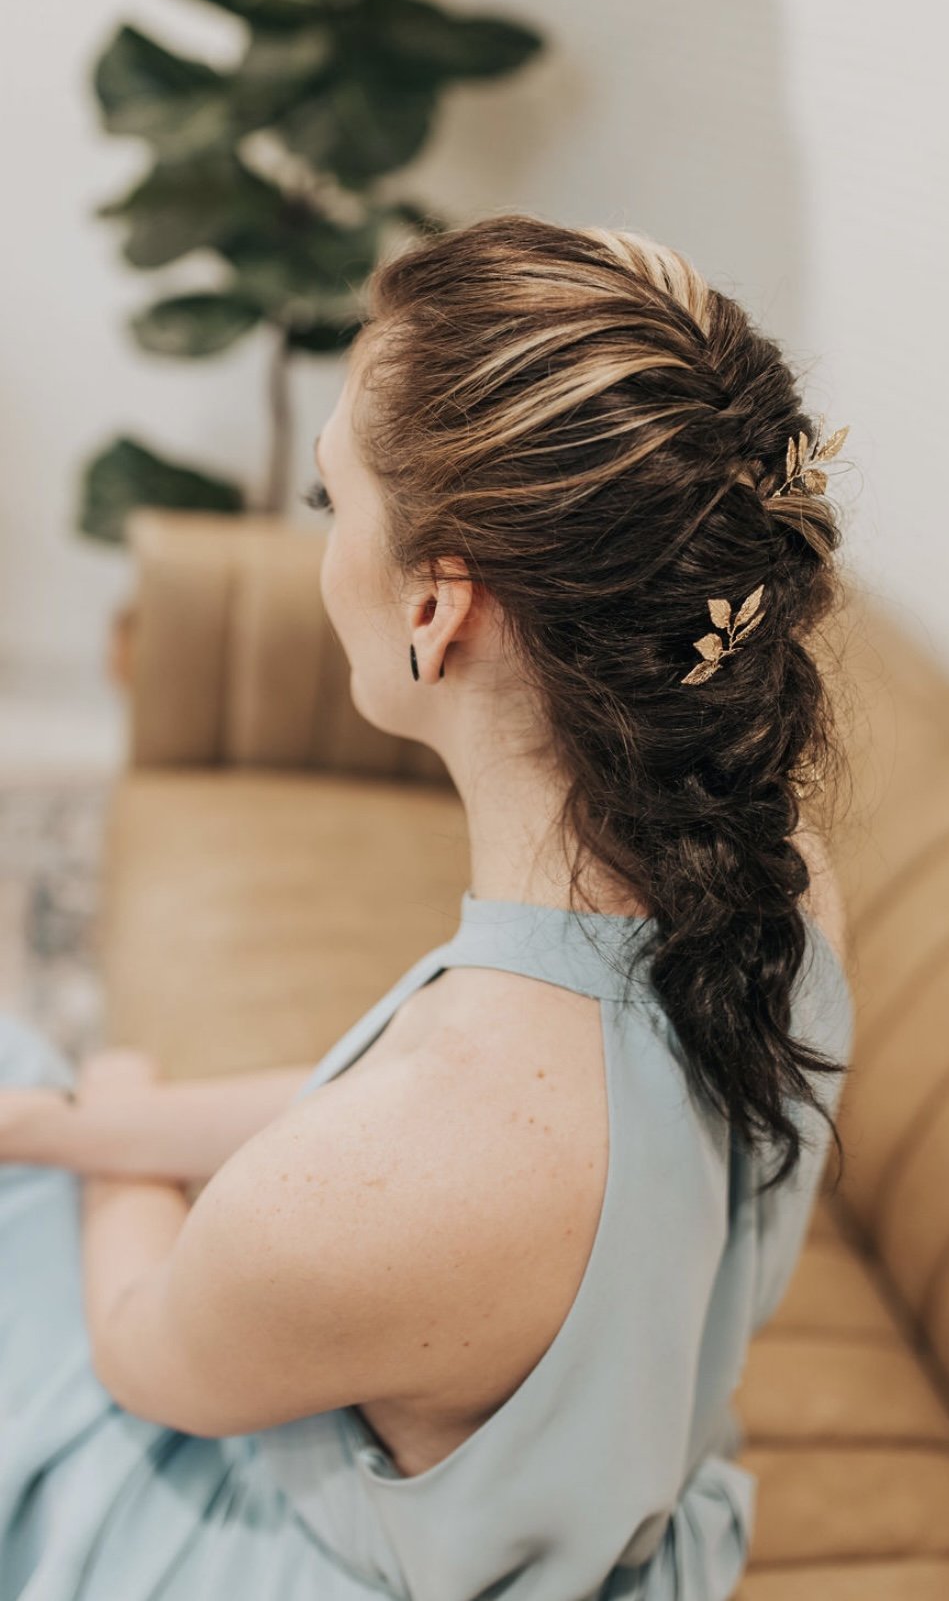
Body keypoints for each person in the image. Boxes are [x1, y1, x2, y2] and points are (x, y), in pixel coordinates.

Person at [0, 213, 855, 1600]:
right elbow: (381, 1121)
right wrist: (74, 1127)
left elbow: (141, 1350)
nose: (324, 544)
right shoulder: (780, 886)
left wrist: (111, 1085)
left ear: (435, 609)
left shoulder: (405, 1172)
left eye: (331, 500)